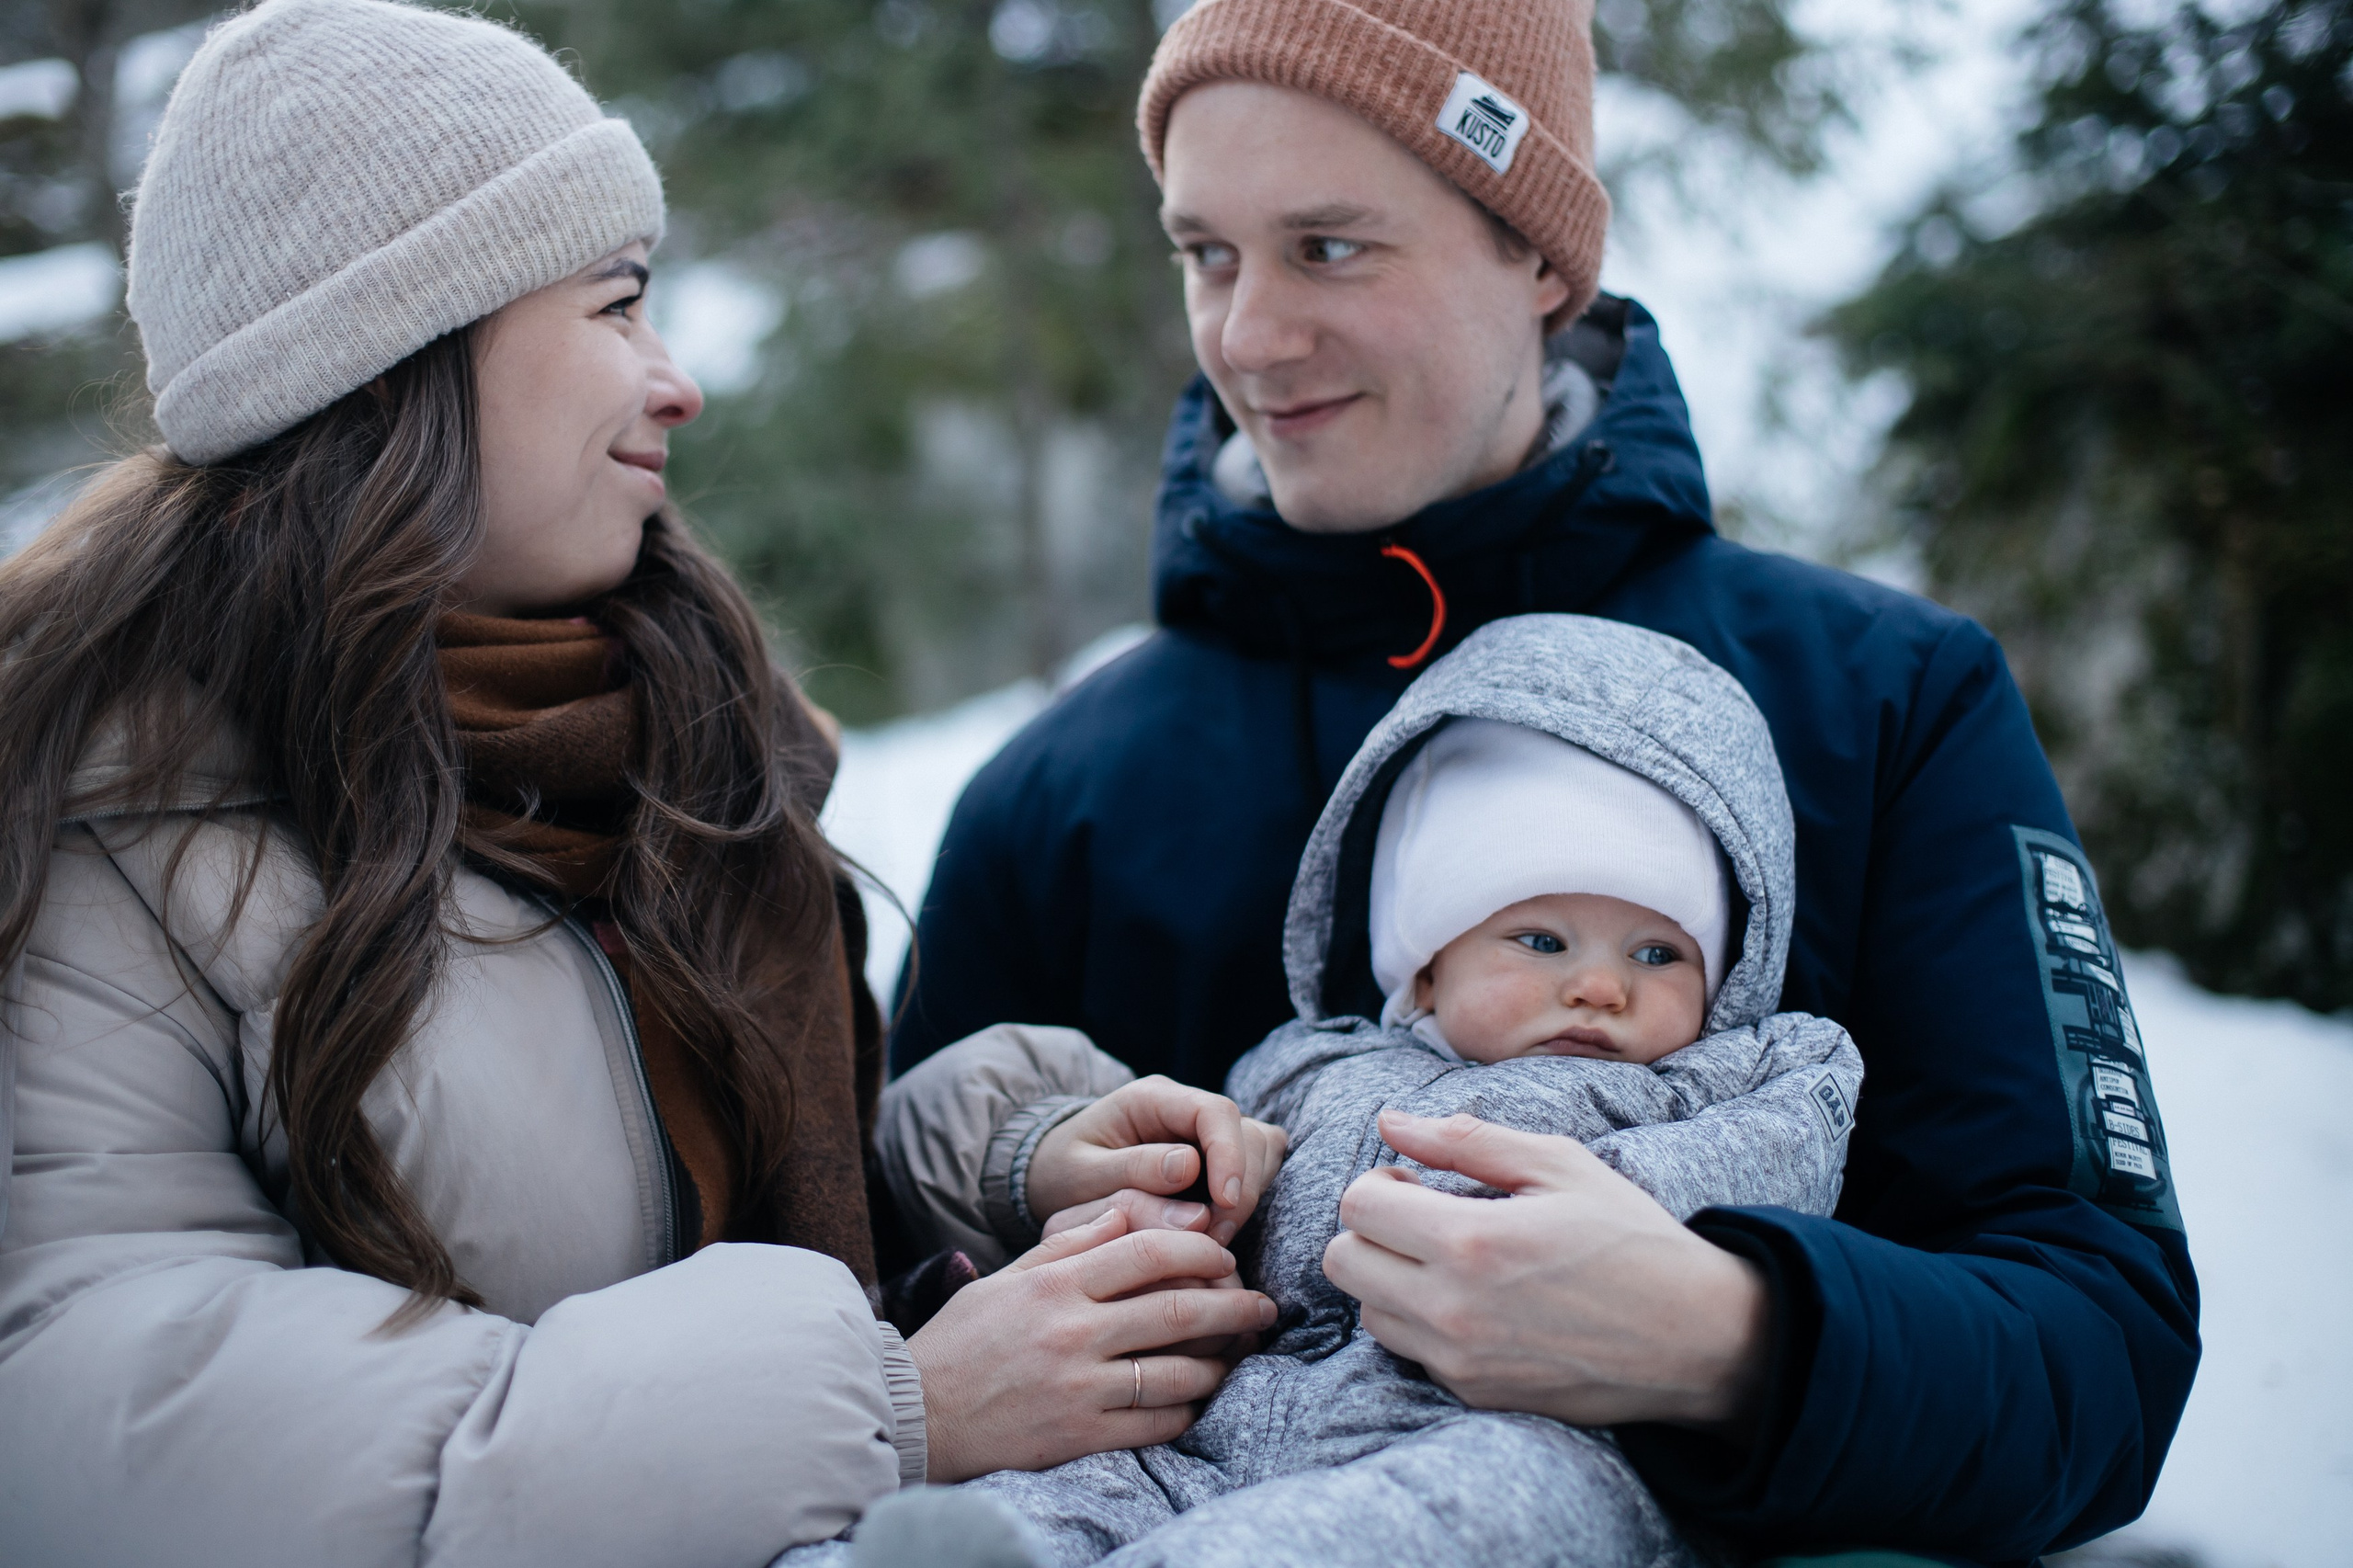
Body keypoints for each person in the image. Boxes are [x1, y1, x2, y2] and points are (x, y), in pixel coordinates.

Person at [891, 0, 2199, 1556]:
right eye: (1206, 253)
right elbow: (890, 1268)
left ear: (1540, 255)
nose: (1245, 335)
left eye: (1329, 247)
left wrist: (1727, 1337)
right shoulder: (1058, 796)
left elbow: (2102, 1350)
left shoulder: (1884, 701)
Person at [0, 4, 1277, 1562]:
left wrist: (1004, 1158)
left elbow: (706, 1202)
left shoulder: (678, 729)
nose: (674, 383)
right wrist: (885, 1410)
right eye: (615, 307)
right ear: (397, 348)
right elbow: (110, 1431)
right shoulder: (102, 832)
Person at [840, 613, 1864, 1568]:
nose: (1600, 984)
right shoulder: (1313, 1065)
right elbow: (1237, 1196)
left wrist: (1605, 1207)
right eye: (1540, 938)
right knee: (1089, 1480)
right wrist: (1208, 1187)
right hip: (1244, 1411)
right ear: (1425, 966)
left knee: (1421, 1523)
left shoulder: (1729, 1081)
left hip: (1517, 1427)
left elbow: (1762, 1176)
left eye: (1657, 951)